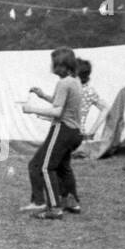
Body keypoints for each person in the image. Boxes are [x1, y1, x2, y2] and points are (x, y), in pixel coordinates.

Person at [20, 47, 84, 219]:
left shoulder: (63, 83)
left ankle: (53, 208)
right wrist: (43, 96)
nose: (52, 66)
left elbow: (57, 111)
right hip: (74, 131)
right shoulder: (74, 81)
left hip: (62, 129)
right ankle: (72, 201)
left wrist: (31, 109)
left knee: (45, 167)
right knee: (63, 167)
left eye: (54, 63)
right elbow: (61, 103)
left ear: (62, 65)